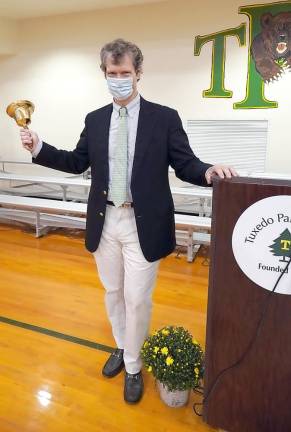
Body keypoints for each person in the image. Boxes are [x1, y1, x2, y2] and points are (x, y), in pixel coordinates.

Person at [20, 38, 237, 404]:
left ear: (138, 73)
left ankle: (134, 365)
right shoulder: (95, 118)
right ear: (103, 73)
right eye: (111, 72)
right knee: (113, 292)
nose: (118, 78)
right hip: (105, 222)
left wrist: (208, 171)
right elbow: (77, 161)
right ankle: (122, 345)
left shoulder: (163, 117)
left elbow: (185, 163)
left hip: (143, 223)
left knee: (138, 299)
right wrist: (39, 147)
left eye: (125, 73)